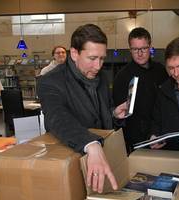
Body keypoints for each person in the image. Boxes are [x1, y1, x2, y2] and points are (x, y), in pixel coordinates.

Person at [37, 24, 128, 193]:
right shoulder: (50, 81)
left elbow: (98, 114)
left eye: (102, 58)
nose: (98, 66)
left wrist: (113, 113)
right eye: (92, 58)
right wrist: (91, 144)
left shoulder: (100, 77)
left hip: (105, 157)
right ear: (74, 53)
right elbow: (57, 118)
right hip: (75, 165)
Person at [112, 27, 168, 153]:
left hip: (161, 135)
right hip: (136, 141)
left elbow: (167, 105)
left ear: (150, 47)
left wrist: (160, 133)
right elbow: (121, 116)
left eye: (143, 48)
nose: (140, 53)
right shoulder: (122, 76)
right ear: (130, 50)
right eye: (135, 49)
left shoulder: (160, 70)